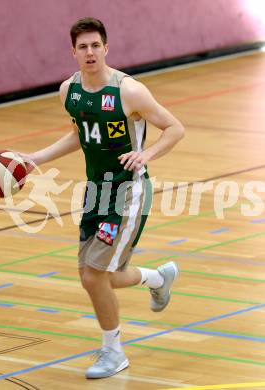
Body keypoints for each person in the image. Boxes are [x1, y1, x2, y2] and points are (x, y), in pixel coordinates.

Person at [22, 17, 184, 379]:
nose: (90, 52)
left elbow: (175, 128)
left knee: (96, 276)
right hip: (96, 192)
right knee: (91, 277)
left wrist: (148, 154)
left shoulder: (129, 91)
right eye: (83, 47)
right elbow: (81, 135)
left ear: (106, 48)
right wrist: (36, 158)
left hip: (129, 192)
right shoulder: (70, 91)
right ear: (73, 52)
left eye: (96, 45)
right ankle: (157, 278)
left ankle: (114, 352)